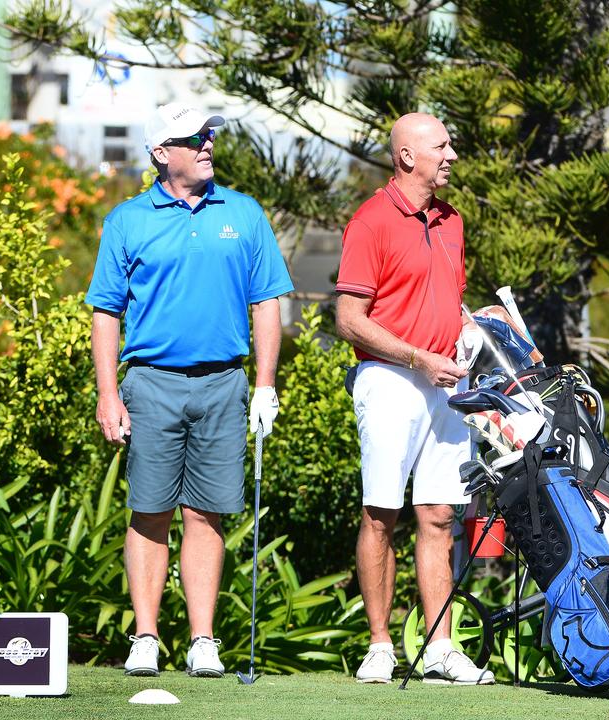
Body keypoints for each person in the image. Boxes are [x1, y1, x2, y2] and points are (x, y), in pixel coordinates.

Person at [87, 102, 293, 678]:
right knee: (149, 511)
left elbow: (267, 302)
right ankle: (147, 636)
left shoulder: (244, 213)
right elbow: (106, 312)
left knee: (208, 513)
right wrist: (109, 393)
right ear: (161, 154)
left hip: (225, 383)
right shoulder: (128, 219)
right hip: (150, 383)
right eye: (192, 138)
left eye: (208, 135)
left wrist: (266, 386)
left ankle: (203, 640)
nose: (206, 145)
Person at [333, 112, 492, 685]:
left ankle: (440, 648)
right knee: (381, 512)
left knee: (439, 514)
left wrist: (482, 327)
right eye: (441, 146)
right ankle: (380, 645)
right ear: (407, 156)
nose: (451, 154)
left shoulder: (452, 221)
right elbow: (350, 320)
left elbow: (448, 304)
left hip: (448, 385)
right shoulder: (370, 221)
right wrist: (416, 357)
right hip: (391, 379)